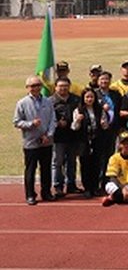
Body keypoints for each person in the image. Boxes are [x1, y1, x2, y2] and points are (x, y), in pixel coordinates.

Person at [14, 76, 56, 205]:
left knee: (46, 169)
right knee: (31, 170)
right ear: (27, 88)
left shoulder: (48, 101)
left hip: (46, 141)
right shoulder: (22, 103)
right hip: (31, 142)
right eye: (32, 86)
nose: (36, 88)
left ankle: (46, 192)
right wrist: (31, 124)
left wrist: (48, 135)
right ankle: (30, 195)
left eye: (38, 85)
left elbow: (53, 120)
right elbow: (17, 122)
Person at [72, 88, 106, 198]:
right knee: (85, 164)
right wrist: (78, 120)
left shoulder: (99, 109)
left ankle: (95, 187)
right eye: (87, 97)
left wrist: (103, 123)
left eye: (91, 97)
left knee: (96, 164)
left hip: (97, 140)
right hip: (83, 141)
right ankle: (87, 188)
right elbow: (74, 127)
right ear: (83, 98)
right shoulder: (78, 110)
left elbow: (105, 126)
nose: (89, 99)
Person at [50, 77, 81, 197]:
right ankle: (58, 186)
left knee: (72, 161)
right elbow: (47, 118)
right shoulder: (50, 101)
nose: (63, 88)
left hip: (73, 135)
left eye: (65, 86)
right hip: (58, 137)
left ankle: (71, 185)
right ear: (55, 87)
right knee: (57, 162)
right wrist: (57, 123)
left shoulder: (76, 99)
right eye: (60, 86)